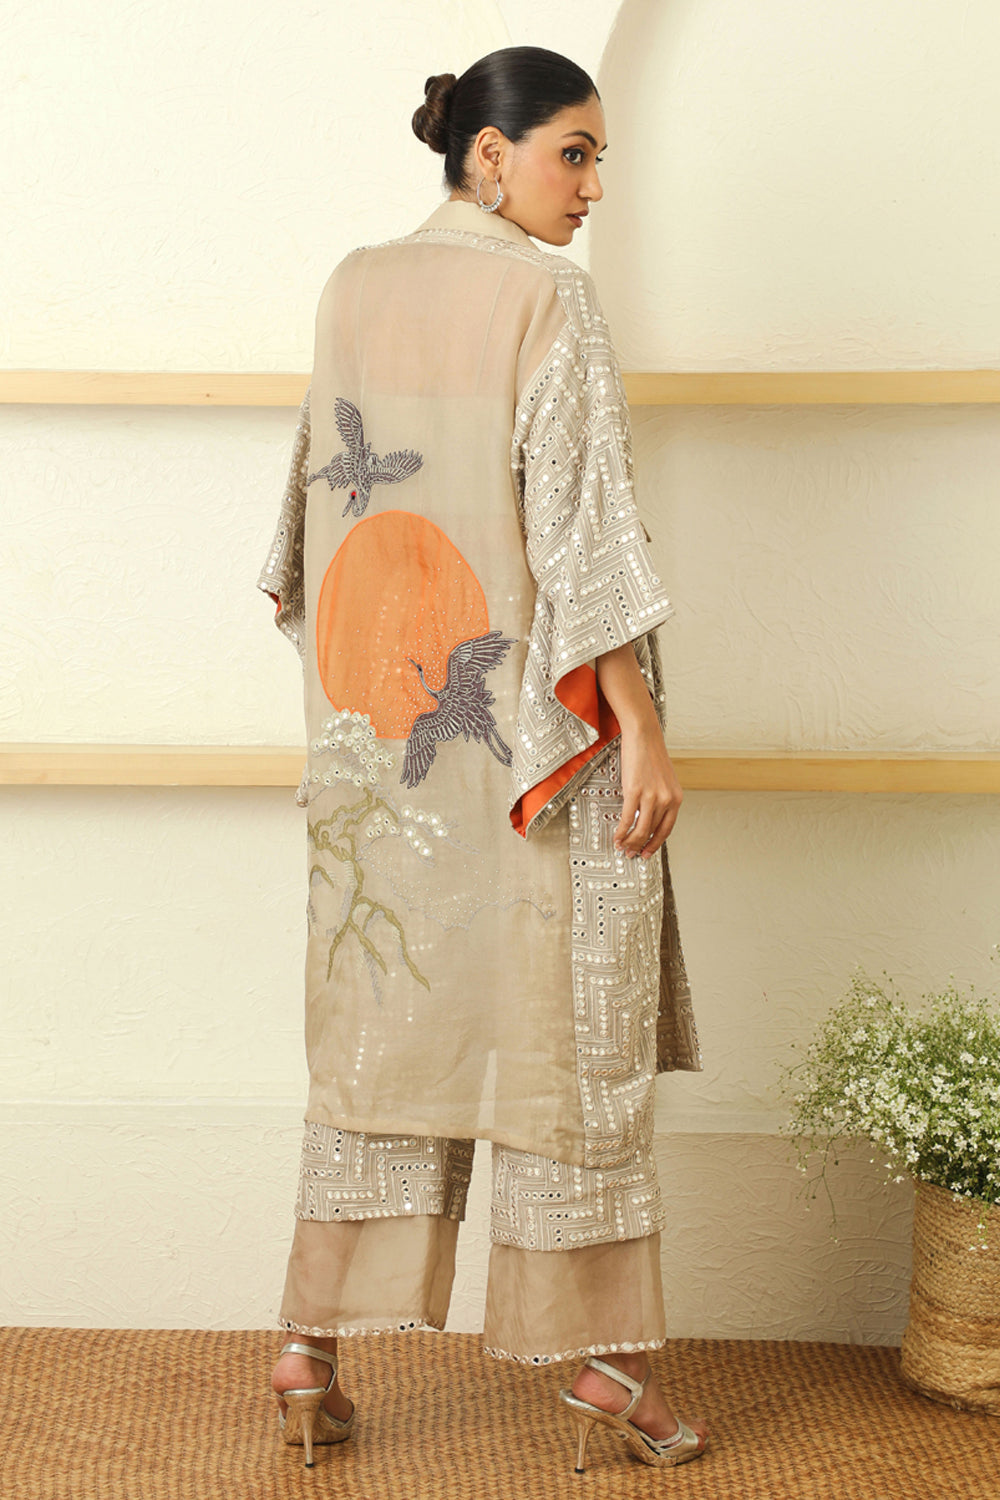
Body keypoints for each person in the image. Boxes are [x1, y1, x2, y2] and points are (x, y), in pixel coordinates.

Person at [258, 45, 707, 1475]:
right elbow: (581, 529)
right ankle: (605, 1371)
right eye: (574, 152)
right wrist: (639, 726)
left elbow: (311, 530)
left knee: (389, 1018)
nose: (592, 186)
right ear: (491, 154)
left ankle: (308, 1347)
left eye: (600, 158)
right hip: (531, 749)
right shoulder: (547, 300)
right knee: (567, 1036)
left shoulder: (351, 287)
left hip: (384, 747)